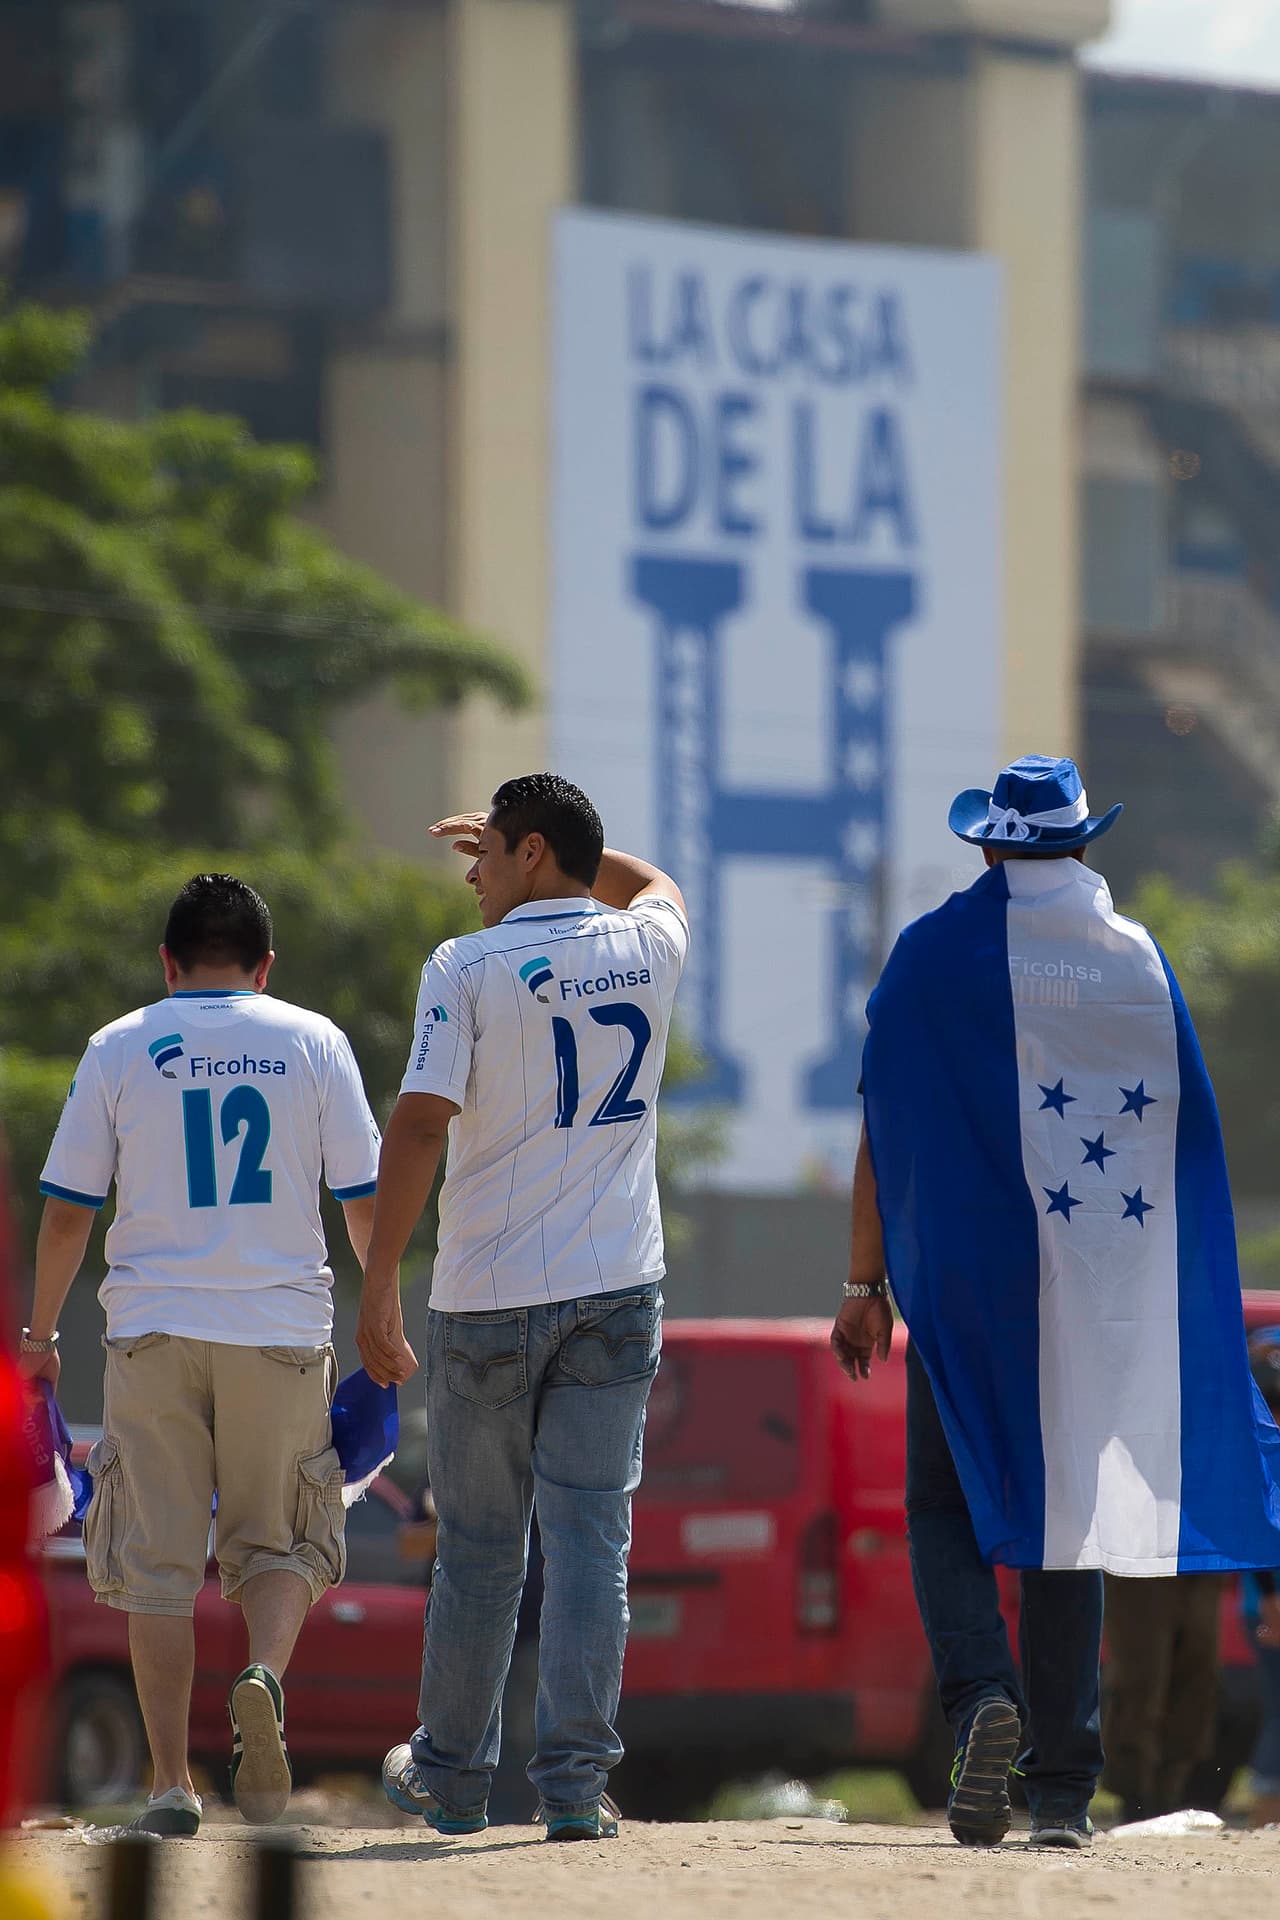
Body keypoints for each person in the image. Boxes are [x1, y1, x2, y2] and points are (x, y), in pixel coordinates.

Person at [830, 755, 1280, 1852]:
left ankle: (981, 1696)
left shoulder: (931, 955)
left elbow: (882, 1129)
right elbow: (1179, 1137)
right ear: (1080, 842)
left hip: (965, 1293)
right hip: (1094, 1292)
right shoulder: (1134, 960)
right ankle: (1063, 1796)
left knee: (941, 1508)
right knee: (1066, 1524)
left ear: (988, 843)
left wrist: (861, 1284)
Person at [355, 772, 687, 1841]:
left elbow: (414, 1128)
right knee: (592, 1541)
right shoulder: (652, 947)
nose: (471, 875)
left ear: (532, 854)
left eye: (487, 853)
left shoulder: (465, 966)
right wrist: (575, 855)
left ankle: (452, 1777)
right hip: (615, 1289)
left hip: (488, 1294)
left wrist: (375, 1283)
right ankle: (576, 1791)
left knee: (483, 1550)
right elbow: (657, 882)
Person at [19, 875, 382, 1836]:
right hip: (279, 1332)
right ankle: (262, 1673)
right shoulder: (315, 1042)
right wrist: (382, 1311)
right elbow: (363, 1203)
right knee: (283, 1540)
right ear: (266, 967)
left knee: (158, 1566)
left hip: (153, 1329)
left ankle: (172, 1785)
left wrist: (40, 1337)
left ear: (167, 964)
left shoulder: (120, 1046)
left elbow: (66, 1215)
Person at [1101, 1569, 1227, 1825]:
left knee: (1197, 1681)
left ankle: (1170, 1795)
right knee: (1140, 1681)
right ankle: (1135, 1801)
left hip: (1201, 1559)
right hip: (1140, 1560)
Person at [1244, 1326, 1280, 1829]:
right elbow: (1259, 1537)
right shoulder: (1262, 1453)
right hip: (1267, 1607)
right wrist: (1271, 1601)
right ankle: (1263, 1812)